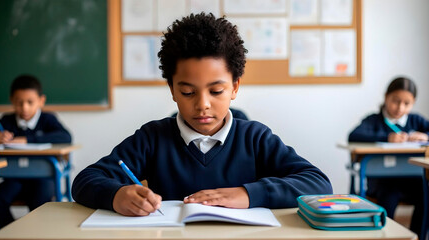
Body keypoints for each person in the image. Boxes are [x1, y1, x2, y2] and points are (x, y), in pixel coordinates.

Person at [72, 13, 332, 216]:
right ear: (172, 89)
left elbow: (318, 184)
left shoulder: (254, 138)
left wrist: (248, 194)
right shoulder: (152, 138)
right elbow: (85, 181)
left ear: (234, 88)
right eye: (187, 92)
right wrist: (116, 195)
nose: (202, 105)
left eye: (216, 91)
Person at [0, 74, 72, 228]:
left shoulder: (48, 119)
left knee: (41, 201)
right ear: (12, 101)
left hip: (43, 178)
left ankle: (36, 233)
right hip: (15, 178)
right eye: (19, 103)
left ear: (41, 101)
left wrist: (29, 139)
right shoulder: (7, 120)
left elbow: (65, 137)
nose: (24, 108)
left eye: (30, 102)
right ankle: (11, 232)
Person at [348, 77, 429, 234]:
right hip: (381, 183)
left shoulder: (415, 120)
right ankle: (385, 236)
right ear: (386, 97)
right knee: (389, 194)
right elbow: (353, 135)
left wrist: (425, 136)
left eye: (406, 104)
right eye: (395, 101)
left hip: (411, 182)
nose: (400, 107)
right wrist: (387, 138)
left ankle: (417, 235)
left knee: (425, 193)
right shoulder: (374, 120)